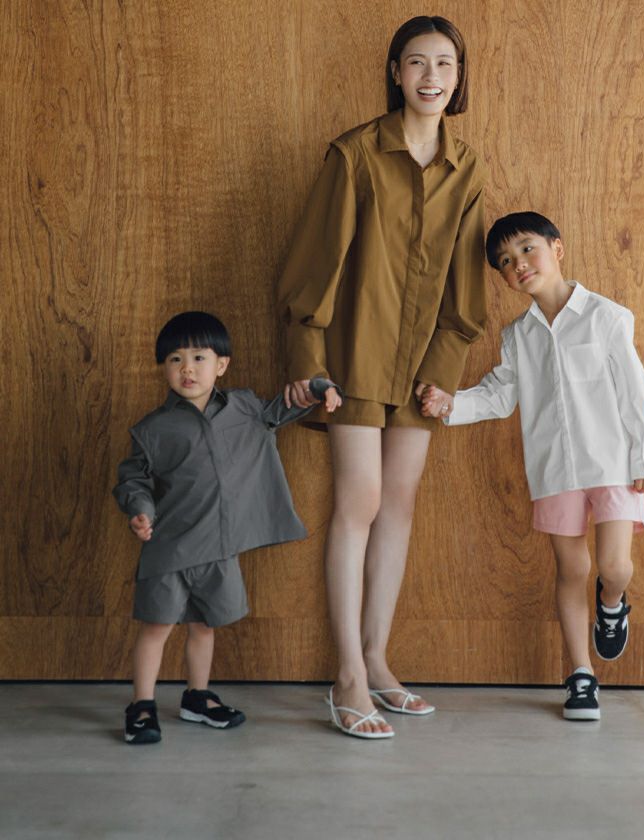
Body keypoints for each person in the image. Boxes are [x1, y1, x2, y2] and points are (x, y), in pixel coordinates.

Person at [278, 16, 487, 739]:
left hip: (423, 363)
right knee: (359, 503)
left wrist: (444, 373)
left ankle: (376, 660)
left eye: (445, 64)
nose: (432, 77)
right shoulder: (355, 154)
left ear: (459, 77)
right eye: (417, 62)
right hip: (356, 355)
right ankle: (346, 678)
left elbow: (465, 288)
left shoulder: (468, 169)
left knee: (399, 504)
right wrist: (308, 364)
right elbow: (316, 264)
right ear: (396, 72)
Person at [421, 212, 644, 720]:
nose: (519, 265)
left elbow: (635, 392)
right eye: (506, 262)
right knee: (571, 568)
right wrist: (449, 404)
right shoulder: (517, 336)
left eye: (527, 249)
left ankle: (612, 605)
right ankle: (580, 675)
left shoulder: (606, 317)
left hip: (613, 464)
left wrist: (643, 456)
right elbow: (499, 395)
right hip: (554, 470)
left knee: (614, 567)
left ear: (557, 248)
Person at [113, 311, 341, 744]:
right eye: (175, 359)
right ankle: (142, 705)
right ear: (164, 368)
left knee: (205, 625)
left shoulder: (246, 408)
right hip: (169, 548)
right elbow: (134, 479)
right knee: (157, 627)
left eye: (199, 357)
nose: (187, 369)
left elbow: (285, 407)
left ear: (222, 365)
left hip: (219, 548)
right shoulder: (152, 429)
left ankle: (197, 697)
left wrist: (318, 388)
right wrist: (139, 509)